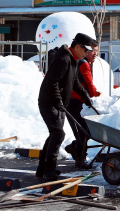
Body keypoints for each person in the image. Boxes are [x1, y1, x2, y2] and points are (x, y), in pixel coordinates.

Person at [37, 33, 97, 181]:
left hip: (59, 103)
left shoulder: (73, 60)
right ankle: (49, 170)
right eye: (85, 50)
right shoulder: (63, 60)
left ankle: (42, 169)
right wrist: (58, 101)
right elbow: (52, 82)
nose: (87, 53)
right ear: (77, 47)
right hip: (49, 102)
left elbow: (75, 81)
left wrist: (85, 96)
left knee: (54, 134)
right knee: (58, 134)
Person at [65, 42, 101, 169]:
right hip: (74, 102)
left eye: (97, 51)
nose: (95, 53)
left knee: (83, 130)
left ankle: (74, 148)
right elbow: (89, 85)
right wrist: (96, 95)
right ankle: (79, 159)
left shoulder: (86, 63)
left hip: (75, 101)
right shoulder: (84, 64)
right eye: (92, 51)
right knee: (83, 131)